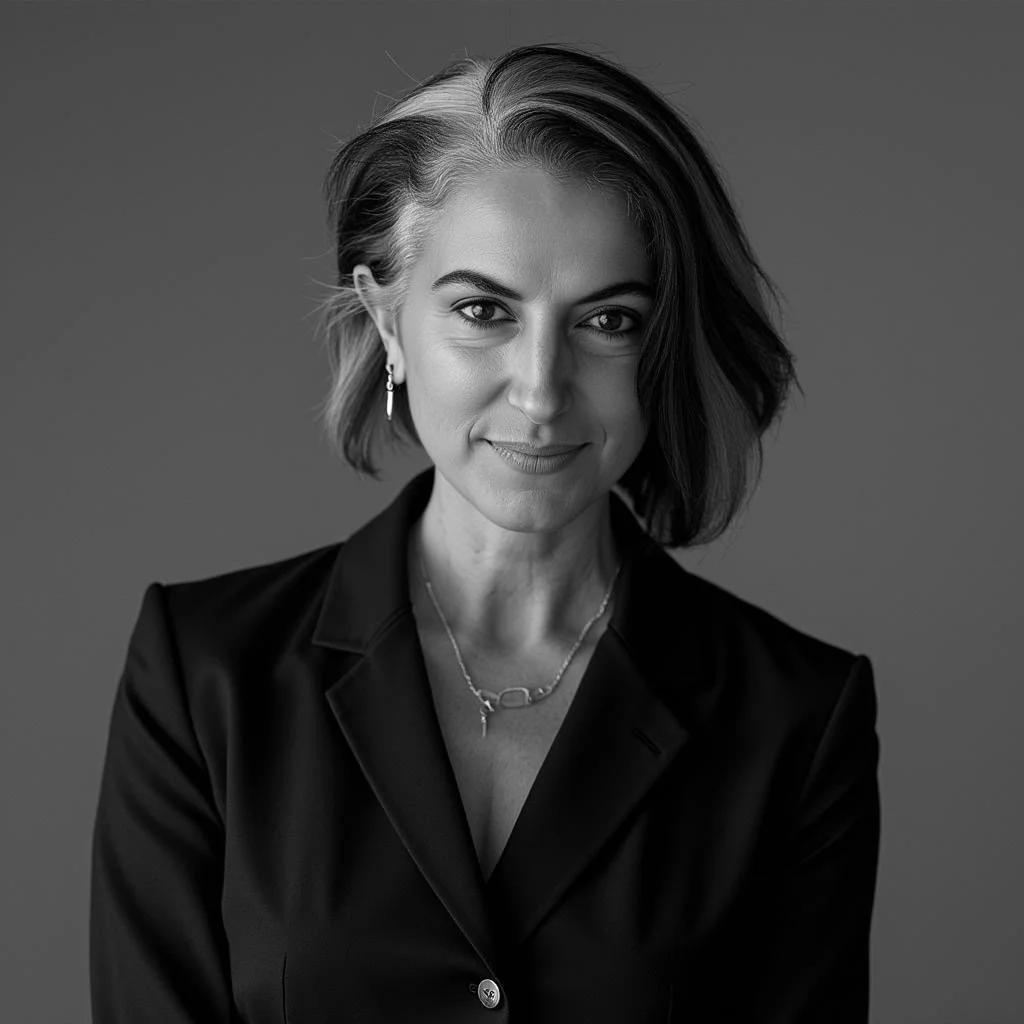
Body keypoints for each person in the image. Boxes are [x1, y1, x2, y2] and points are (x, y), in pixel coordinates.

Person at [89, 43, 881, 1024]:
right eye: (482, 310)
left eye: (608, 321)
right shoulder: (204, 670)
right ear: (386, 318)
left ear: (662, 342)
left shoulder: (794, 717)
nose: (542, 388)